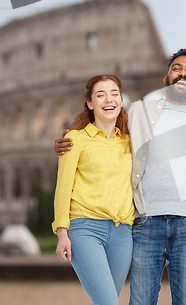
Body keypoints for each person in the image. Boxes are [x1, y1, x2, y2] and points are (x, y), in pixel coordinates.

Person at [54, 49, 186, 305]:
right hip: (139, 222)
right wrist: (66, 142)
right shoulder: (139, 112)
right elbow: (66, 183)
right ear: (165, 78)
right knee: (131, 300)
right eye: (177, 68)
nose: (183, 73)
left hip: (171, 223)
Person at [52, 75, 134, 305]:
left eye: (114, 93)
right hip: (86, 230)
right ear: (90, 103)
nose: (109, 99)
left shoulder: (130, 142)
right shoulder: (74, 140)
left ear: (121, 100)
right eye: (101, 95)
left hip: (123, 233)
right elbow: (63, 187)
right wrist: (61, 233)